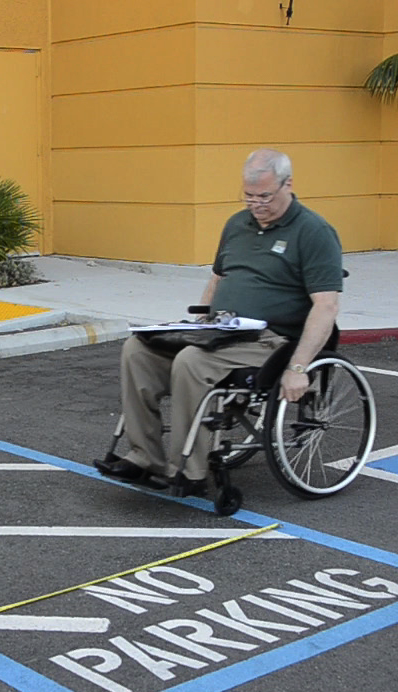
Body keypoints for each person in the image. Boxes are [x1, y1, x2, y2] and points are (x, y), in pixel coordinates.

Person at [96, 149, 343, 497]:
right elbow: (217, 279)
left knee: (191, 362)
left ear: (288, 185)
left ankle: (189, 470)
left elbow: (326, 306)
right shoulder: (236, 225)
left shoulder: (314, 232)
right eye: (249, 196)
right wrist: (195, 326)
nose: (256, 205)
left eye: (264, 197)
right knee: (137, 350)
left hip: (270, 341)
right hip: (222, 332)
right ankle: (144, 457)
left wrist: (299, 367)